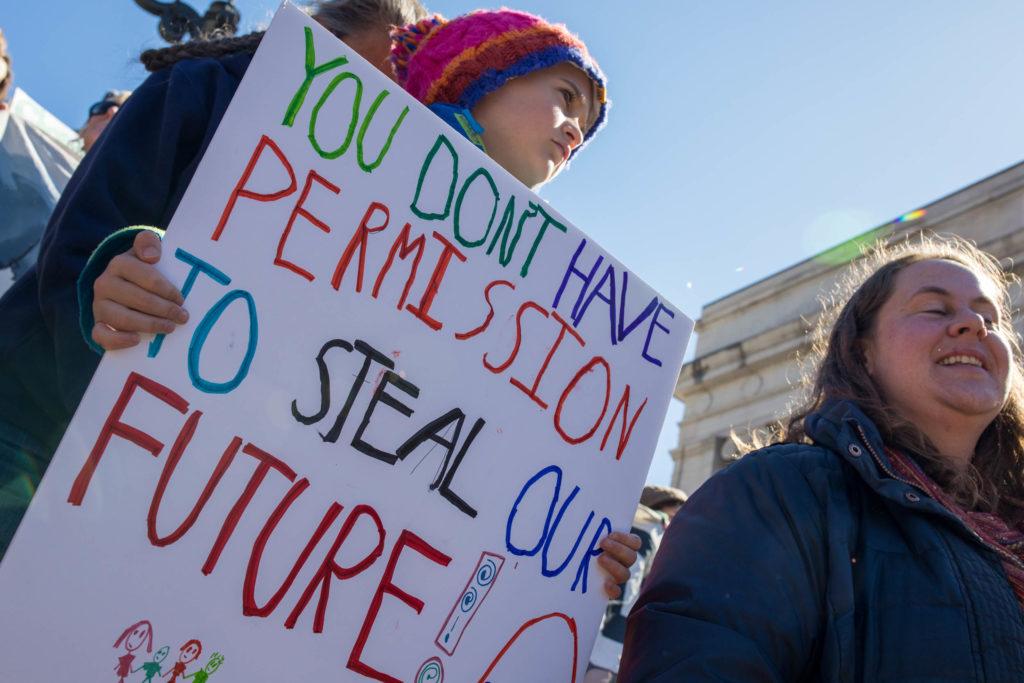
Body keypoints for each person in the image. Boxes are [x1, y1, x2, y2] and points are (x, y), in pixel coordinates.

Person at [0, 1, 639, 600]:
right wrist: (107, 288)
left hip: (194, 534)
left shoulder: (439, 244)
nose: (383, 108)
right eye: (388, 74)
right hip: (42, 455)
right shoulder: (207, 92)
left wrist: (569, 554)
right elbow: (79, 247)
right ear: (320, 41)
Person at [619, 234, 1024, 680]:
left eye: (990, 317)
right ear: (861, 352)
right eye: (935, 309)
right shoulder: (782, 491)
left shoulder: (1010, 533)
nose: (974, 325)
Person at [587, 486, 686, 682]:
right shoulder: (651, 529)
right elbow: (626, 597)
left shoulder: (627, 526)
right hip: (603, 653)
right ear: (670, 510)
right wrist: (606, 661)